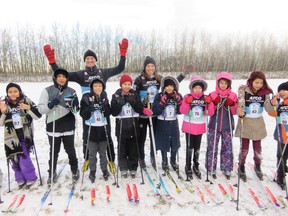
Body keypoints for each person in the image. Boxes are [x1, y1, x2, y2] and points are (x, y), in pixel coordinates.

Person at [43, 38, 128, 172]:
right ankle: (87, 159)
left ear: (95, 60)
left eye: (92, 58)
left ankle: (111, 161)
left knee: (107, 136)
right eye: (87, 59)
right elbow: (62, 74)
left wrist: (123, 54)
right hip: (87, 108)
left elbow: (120, 68)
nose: (89, 60)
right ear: (84, 61)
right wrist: (52, 61)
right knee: (86, 137)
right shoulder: (80, 74)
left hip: (102, 107)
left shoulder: (103, 72)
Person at [133, 56, 192, 169]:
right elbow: (135, 96)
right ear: (145, 67)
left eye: (152, 66)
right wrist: (142, 108)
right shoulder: (139, 80)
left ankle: (153, 157)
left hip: (155, 113)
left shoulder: (158, 78)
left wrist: (183, 74)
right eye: (148, 66)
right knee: (142, 138)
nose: (150, 68)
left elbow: (170, 83)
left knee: (153, 137)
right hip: (143, 114)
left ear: (155, 67)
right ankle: (141, 158)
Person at [38, 68, 80, 185]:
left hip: (68, 126)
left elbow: (76, 111)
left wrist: (75, 106)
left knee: (70, 150)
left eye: (64, 76)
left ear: (67, 79)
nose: (62, 78)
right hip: (53, 126)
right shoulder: (47, 91)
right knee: (54, 151)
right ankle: (52, 172)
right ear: (55, 78)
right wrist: (50, 105)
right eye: (59, 76)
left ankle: (74, 168)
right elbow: (41, 109)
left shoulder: (71, 91)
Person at [0, 83, 41, 189]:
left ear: (19, 91)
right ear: (7, 94)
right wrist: (3, 112)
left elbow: (38, 115)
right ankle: (20, 179)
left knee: (24, 158)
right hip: (10, 137)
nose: (13, 94)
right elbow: (0, 123)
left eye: (15, 91)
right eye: (10, 92)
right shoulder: (4, 104)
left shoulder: (26, 100)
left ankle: (31, 177)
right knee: (14, 159)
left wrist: (28, 108)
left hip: (24, 135)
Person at [235, 71, 274, 182]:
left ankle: (257, 165)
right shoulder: (244, 91)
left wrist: (273, 103)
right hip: (245, 123)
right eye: (256, 82)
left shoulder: (265, 93)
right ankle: (241, 166)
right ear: (251, 81)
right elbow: (239, 105)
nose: (259, 85)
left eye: (261, 83)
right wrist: (240, 111)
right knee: (244, 149)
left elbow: (268, 109)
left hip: (258, 124)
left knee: (257, 149)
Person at [111, 74, 152, 178]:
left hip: (134, 126)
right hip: (121, 127)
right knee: (122, 150)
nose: (127, 86)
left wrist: (132, 101)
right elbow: (114, 112)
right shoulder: (116, 95)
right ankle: (123, 167)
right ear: (121, 84)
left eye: (129, 84)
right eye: (125, 84)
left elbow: (139, 109)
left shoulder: (134, 94)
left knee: (134, 149)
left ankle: (133, 167)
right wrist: (120, 103)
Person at [180, 76, 214, 179]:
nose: (198, 90)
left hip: (199, 126)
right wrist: (187, 102)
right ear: (191, 88)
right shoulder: (187, 96)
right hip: (189, 126)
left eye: (200, 88)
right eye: (195, 88)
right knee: (189, 147)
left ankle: (196, 164)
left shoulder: (205, 98)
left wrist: (209, 103)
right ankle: (188, 165)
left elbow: (210, 113)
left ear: (203, 89)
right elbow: (183, 111)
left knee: (197, 148)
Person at [205, 72, 238, 179]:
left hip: (227, 126)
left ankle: (226, 167)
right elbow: (209, 112)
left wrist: (232, 104)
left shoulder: (233, 95)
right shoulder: (212, 94)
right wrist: (214, 104)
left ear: (229, 84)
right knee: (212, 147)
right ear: (217, 83)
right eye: (221, 83)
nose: (223, 85)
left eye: (226, 83)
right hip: (214, 126)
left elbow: (234, 112)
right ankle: (211, 167)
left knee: (227, 148)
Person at [80, 78, 111, 183]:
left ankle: (104, 170)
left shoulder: (104, 97)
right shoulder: (86, 97)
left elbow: (108, 113)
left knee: (103, 153)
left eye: (100, 86)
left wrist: (104, 108)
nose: (98, 88)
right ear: (92, 87)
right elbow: (82, 114)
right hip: (91, 131)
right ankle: (92, 171)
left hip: (102, 131)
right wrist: (90, 108)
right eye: (96, 86)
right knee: (92, 154)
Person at [152, 76, 183, 171]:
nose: (169, 88)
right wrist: (161, 103)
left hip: (173, 122)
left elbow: (181, 111)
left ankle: (173, 160)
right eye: (167, 86)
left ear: (174, 87)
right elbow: (155, 111)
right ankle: (164, 160)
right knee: (163, 142)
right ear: (164, 87)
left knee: (174, 142)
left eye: (171, 86)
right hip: (162, 122)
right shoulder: (159, 96)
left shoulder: (177, 95)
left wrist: (179, 102)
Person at [269, 81, 288, 190]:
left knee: (285, 155)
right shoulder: (280, 104)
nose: (281, 92)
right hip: (282, 136)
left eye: (284, 90)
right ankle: (280, 176)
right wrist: (274, 105)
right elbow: (273, 114)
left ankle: (284, 167)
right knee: (281, 156)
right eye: (279, 91)